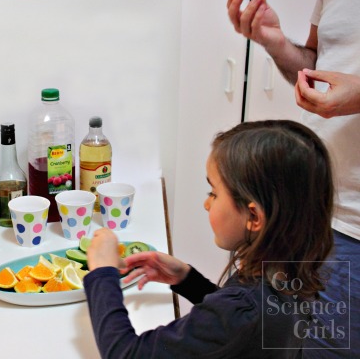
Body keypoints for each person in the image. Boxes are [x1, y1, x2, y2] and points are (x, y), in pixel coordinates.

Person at [84, 120, 334, 358]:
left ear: (254, 216)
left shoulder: (243, 310)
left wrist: (103, 273)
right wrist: (187, 280)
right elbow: (238, 333)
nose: (206, 204)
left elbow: (126, 354)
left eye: (213, 193)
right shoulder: (288, 273)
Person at [227, 0, 360, 354]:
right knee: (276, 345)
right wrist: (274, 41)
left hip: (356, 228)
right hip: (311, 210)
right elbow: (318, 68)